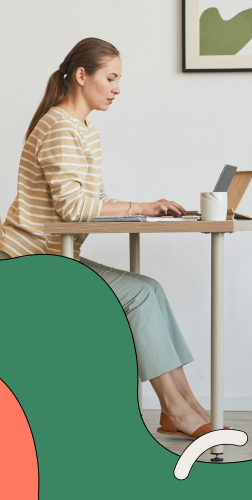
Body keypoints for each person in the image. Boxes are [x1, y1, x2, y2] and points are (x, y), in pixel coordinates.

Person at [0, 37, 217, 440]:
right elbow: (73, 208)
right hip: (26, 264)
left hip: (55, 258)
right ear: (81, 76)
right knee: (137, 295)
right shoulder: (58, 126)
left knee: (149, 288)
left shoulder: (84, 130)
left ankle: (185, 405)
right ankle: (175, 408)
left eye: (119, 79)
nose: (117, 88)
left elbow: (93, 200)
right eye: (111, 78)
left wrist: (148, 205)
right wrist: (144, 207)